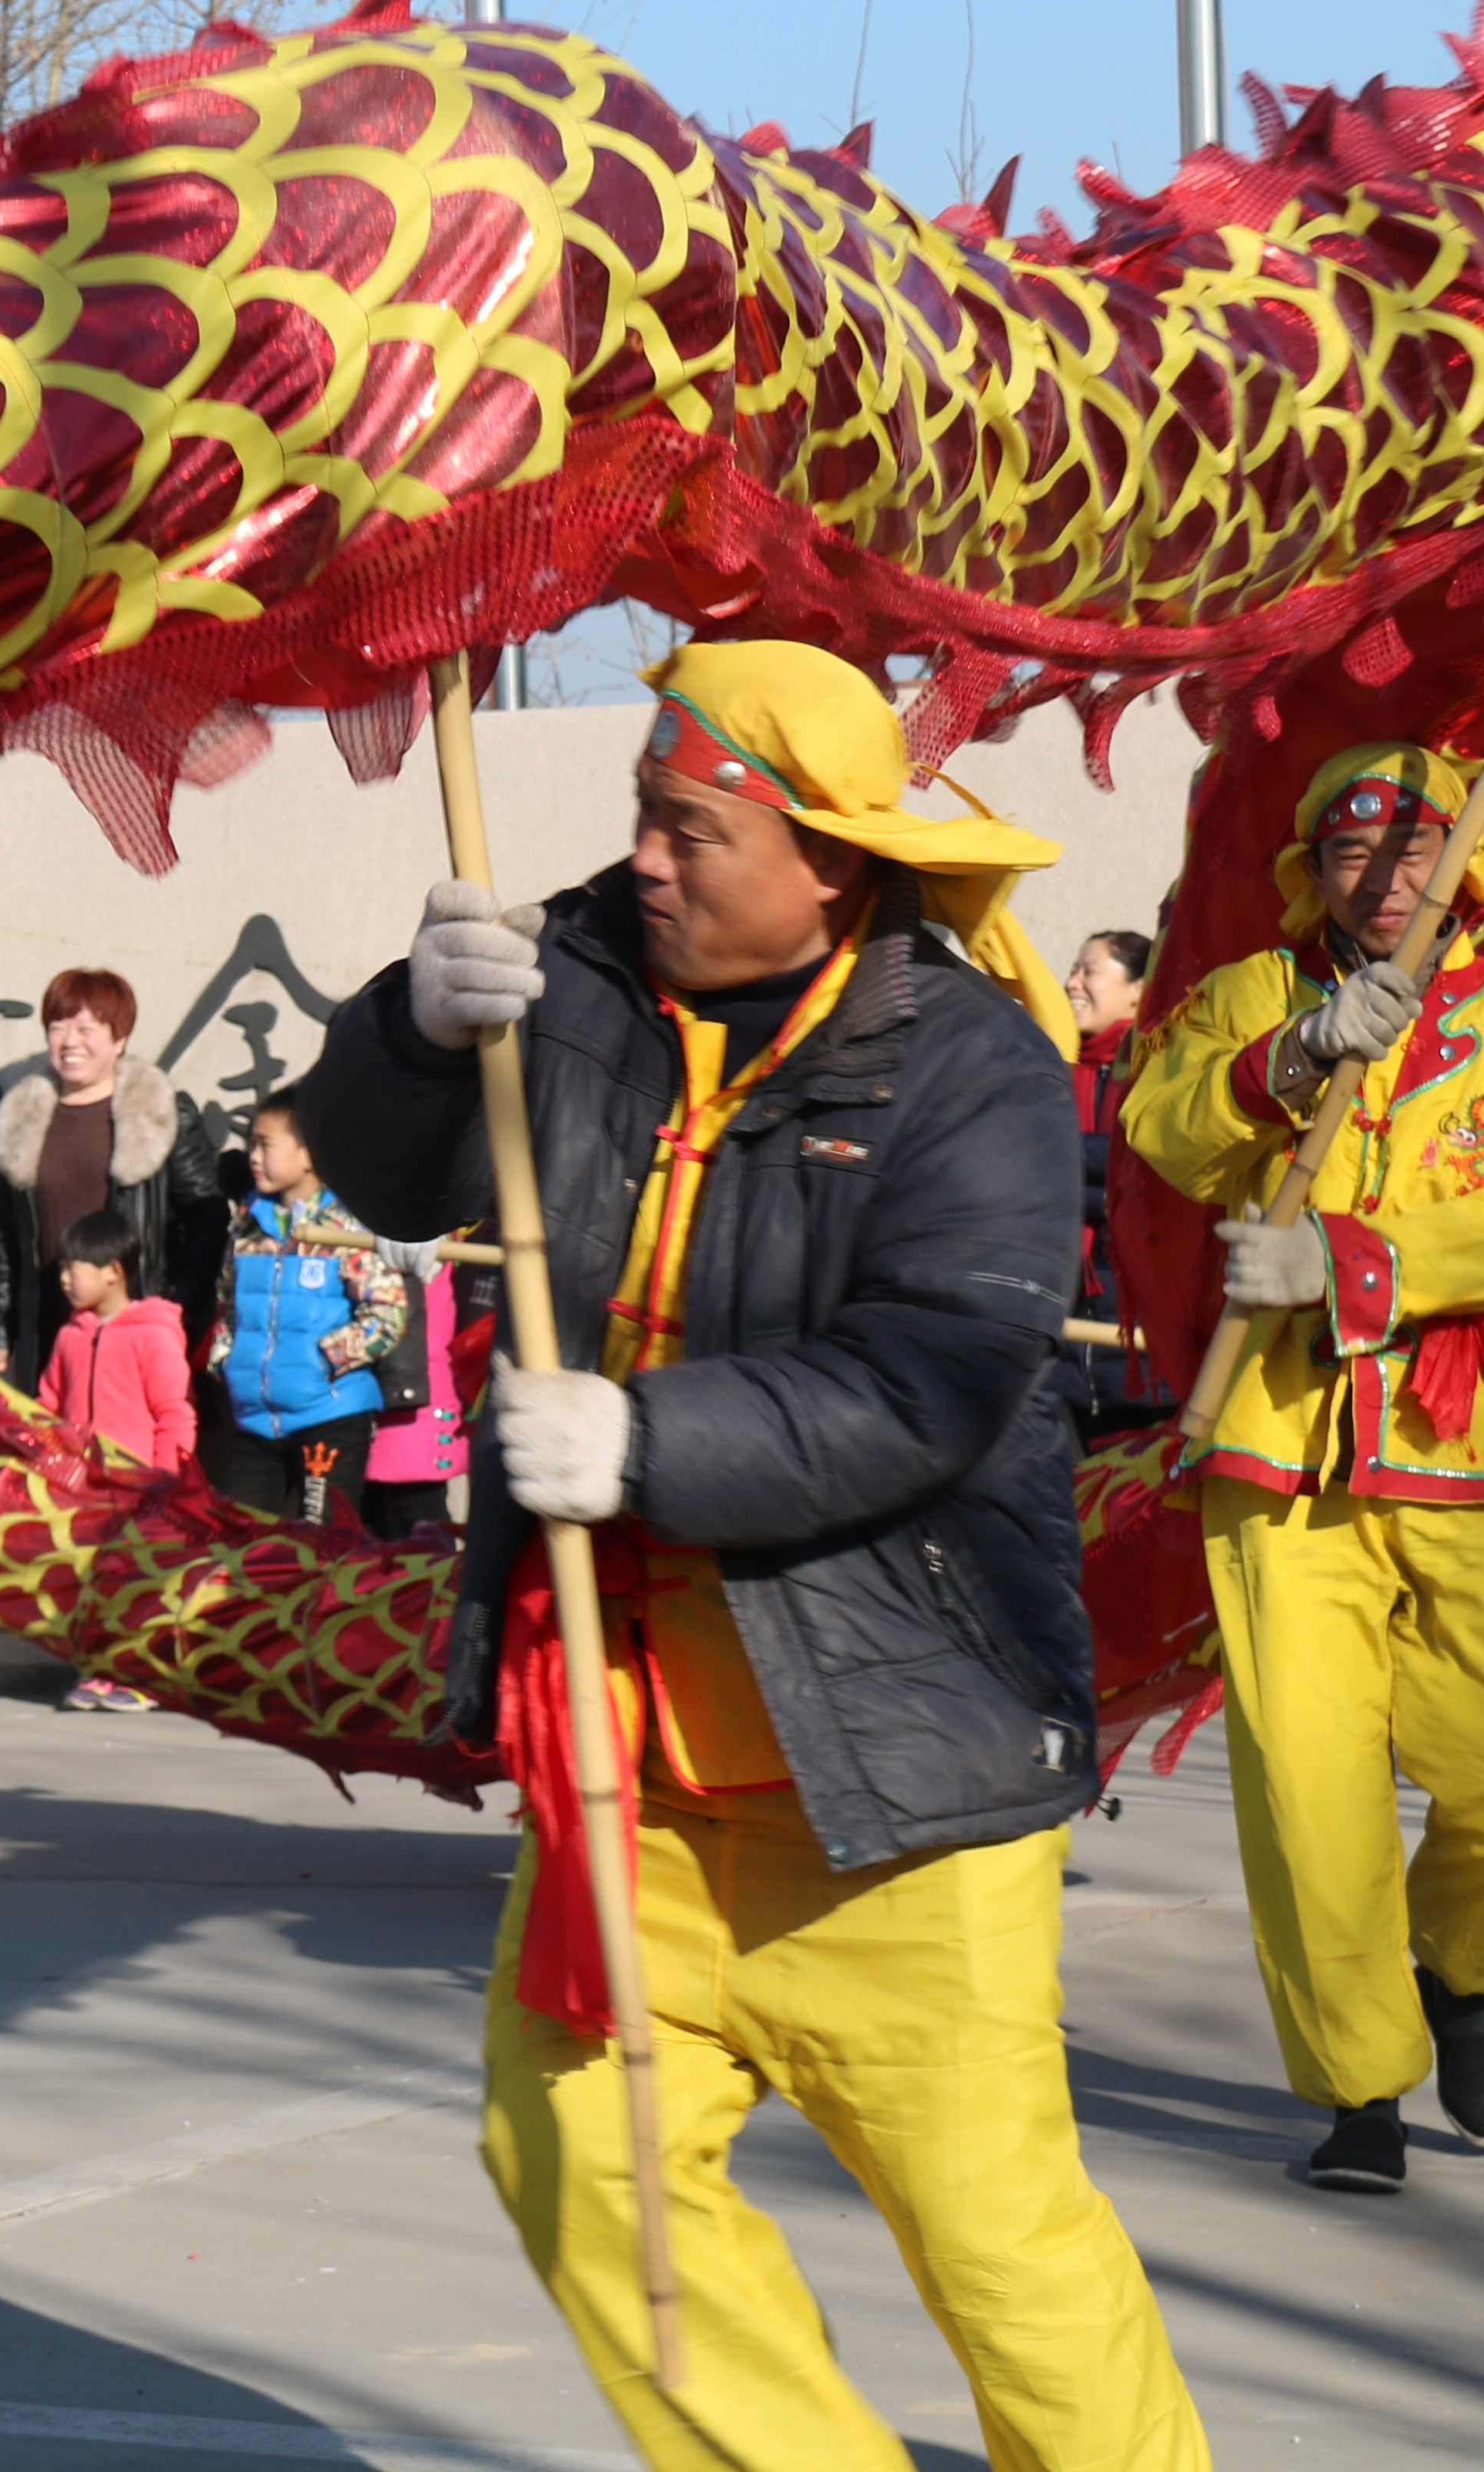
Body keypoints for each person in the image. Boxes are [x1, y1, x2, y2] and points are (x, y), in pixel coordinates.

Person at [294, 638, 1205, 2472]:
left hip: (896, 1779)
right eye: (639, 810)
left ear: (830, 860)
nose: (644, 856)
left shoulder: (976, 1066)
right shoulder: (572, 975)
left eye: (689, 828)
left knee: (1003, 2251)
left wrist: (645, 1440)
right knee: (583, 2176)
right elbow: (391, 1175)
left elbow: (935, 1374)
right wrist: (409, 1025)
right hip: (632, 1772)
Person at [1121, 741, 1484, 2195]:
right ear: (1312, 868)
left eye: (1417, 850)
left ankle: (1459, 1971)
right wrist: (1298, 1057)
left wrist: (1352, 1261)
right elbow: (1164, 1126)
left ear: (1462, 863)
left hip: (1469, 1433)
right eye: (1357, 850)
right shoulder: (1250, 998)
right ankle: (1359, 2089)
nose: (1390, 877)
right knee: (1308, 1791)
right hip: (1276, 1442)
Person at [0, 967, 228, 1391]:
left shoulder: (161, 1112)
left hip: (134, 1329)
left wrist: (171, 1307)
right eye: (58, 1028)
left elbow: (207, 1214)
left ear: (119, 1038)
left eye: (86, 1029)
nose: (70, 1042)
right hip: (51, 1328)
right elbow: (3, 1233)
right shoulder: (23, 1117)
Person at [206, 1097, 405, 1527]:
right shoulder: (248, 1221)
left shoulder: (348, 1225)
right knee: (236, 1543)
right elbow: (228, 1301)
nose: (253, 1157)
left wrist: (321, 1361)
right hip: (255, 1422)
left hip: (329, 1416)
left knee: (322, 1548)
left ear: (310, 1152)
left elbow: (386, 1312)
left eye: (265, 1145)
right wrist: (227, 1359)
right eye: (250, 1145)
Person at [39, 1210, 189, 1712]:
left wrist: (168, 1479)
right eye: (63, 1267)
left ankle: (143, 1677)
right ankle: (96, 1671)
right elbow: (48, 1407)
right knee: (90, 1582)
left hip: (141, 1490)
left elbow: (173, 1412)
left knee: (139, 1583)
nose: (65, 1278)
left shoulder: (153, 1333)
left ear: (114, 1272)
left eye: (74, 1266)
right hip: (84, 1489)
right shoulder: (69, 1337)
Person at [1057, 927, 1173, 1440]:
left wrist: (1055, 1172)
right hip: (1063, 1349)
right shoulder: (1054, 1068)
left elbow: (1152, 1173)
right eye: (1074, 969)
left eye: (1089, 970)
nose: (1071, 983)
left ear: (1136, 989)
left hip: (1142, 1355)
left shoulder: (1159, 1067)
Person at [356, 1241, 473, 1542]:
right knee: (379, 1517)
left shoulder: (423, 1236)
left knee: (419, 1515)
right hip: (398, 1389)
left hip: (414, 1392)